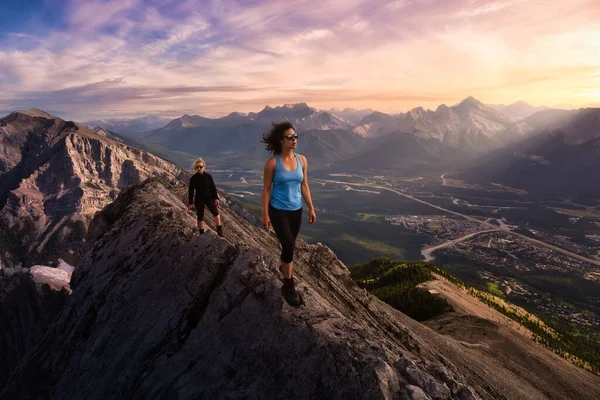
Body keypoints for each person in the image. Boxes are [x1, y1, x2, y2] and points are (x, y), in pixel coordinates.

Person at [261, 122, 316, 307]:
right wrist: (265, 214)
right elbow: (266, 189)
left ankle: (284, 268)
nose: (294, 140)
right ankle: (288, 284)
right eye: (290, 137)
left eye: (295, 136)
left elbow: (304, 185)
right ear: (281, 141)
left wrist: (311, 208)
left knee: (289, 247)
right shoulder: (272, 163)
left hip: (296, 210)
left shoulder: (302, 160)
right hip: (278, 210)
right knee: (288, 244)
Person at [188, 158, 223, 237]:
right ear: (195, 168)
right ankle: (201, 234)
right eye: (197, 167)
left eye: (200, 167)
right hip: (199, 200)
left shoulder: (208, 176)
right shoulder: (193, 178)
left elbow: (213, 187)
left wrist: (216, 198)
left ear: (204, 167)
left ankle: (220, 233)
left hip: (209, 199)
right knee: (200, 217)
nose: (199, 168)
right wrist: (190, 203)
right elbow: (191, 191)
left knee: (216, 214)